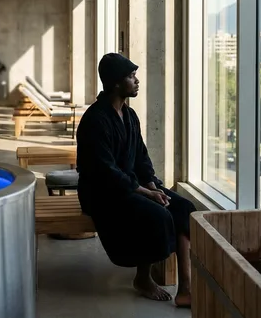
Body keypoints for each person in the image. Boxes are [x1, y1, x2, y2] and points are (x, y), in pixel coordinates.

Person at [76, 53, 196, 307]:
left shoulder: (130, 117)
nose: (137, 81)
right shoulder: (95, 121)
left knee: (184, 209)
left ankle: (186, 287)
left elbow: (141, 157)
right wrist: (146, 193)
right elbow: (104, 172)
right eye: (131, 77)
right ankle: (143, 278)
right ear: (116, 83)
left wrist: (152, 184)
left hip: (134, 187)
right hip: (102, 193)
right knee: (158, 215)